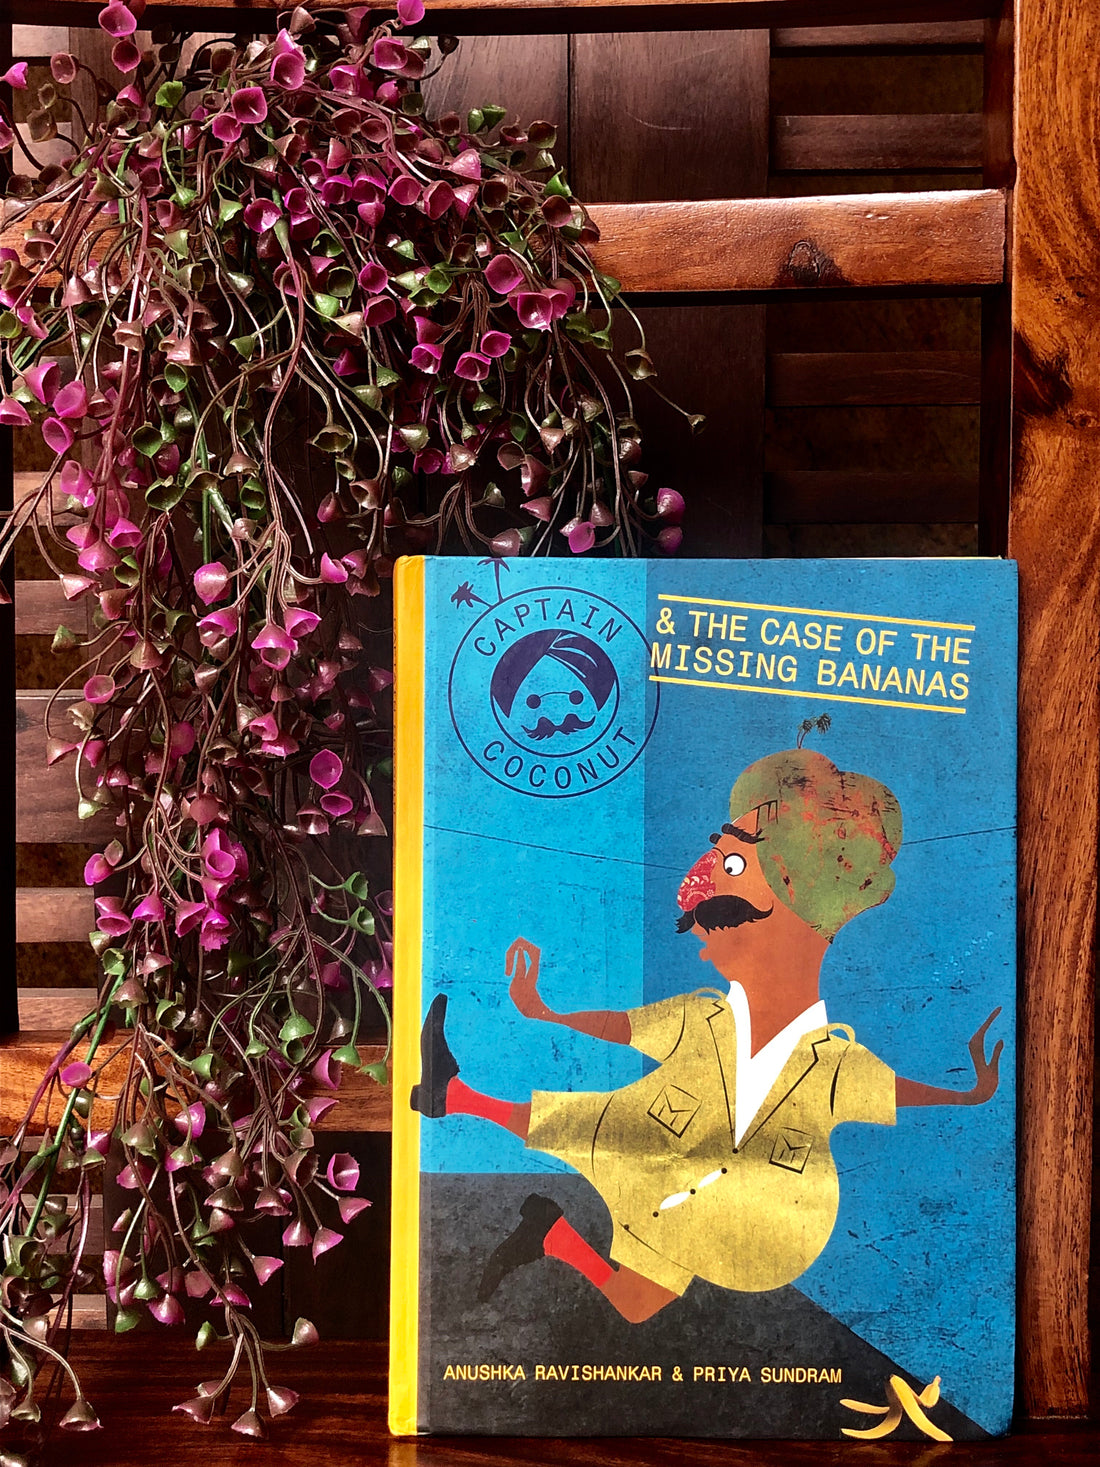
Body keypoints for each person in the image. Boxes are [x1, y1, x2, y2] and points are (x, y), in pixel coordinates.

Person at [411, 745, 1002, 1323]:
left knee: (637, 1302)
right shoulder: (701, 1019)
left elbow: (893, 1091)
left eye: (732, 865)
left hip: (742, 1231)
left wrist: (972, 1093)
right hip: (662, 1172)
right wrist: (547, 1014)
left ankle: (546, 1228)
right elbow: (624, 1028)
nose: (691, 894)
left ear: (794, 886)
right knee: (585, 1124)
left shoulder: (836, 1065)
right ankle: (457, 1100)